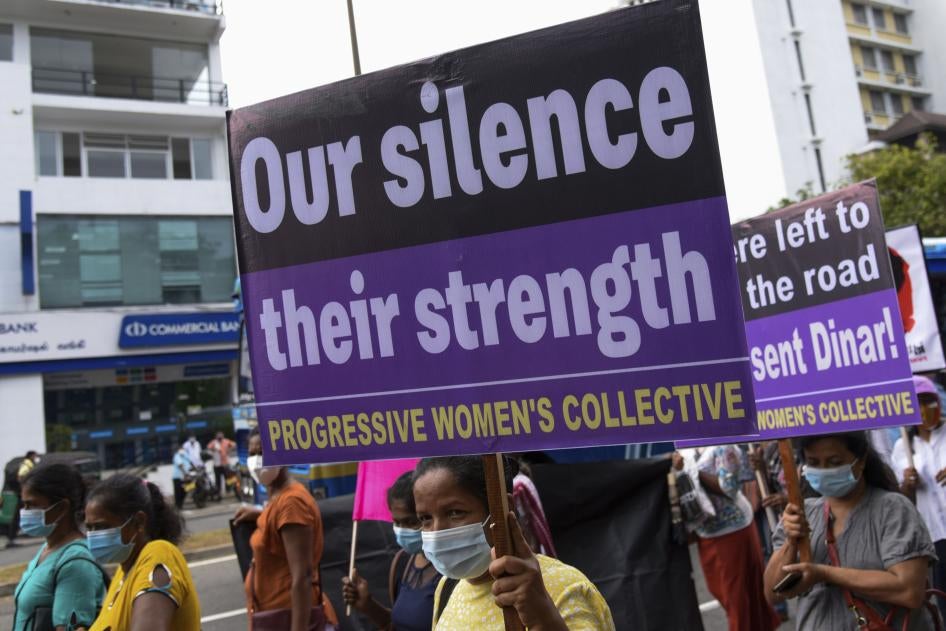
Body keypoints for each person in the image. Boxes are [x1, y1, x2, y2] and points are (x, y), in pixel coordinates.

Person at [412, 456, 614, 630]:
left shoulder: (564, 589)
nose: (437, 532)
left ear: (501, 508)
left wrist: (542, 618)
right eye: (425, 518)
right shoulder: (447, 586)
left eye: (455, 513)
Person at [765, 431, 936, 630]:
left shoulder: (893, 509)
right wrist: (791, 542)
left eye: (834, 462)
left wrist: (824, 574)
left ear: (861, 461)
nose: (824, 470)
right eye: (814, 462)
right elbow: (772, 594)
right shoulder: (801, 513)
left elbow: (909, 591)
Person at [234, 457, 338, 630]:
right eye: (252, 453)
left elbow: (302, 576)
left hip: (287, 615)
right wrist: (261, 515)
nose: (256, 460)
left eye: (262, 451)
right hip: (275, 614)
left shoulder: (291, 503)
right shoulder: (278, 498)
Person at [86, 474, 200, 631]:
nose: (92, 536)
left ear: (138, 522)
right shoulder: (124, 570)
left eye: (101, 527)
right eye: (89, 528)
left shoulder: (158, 554)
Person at [690, 445, 781, 631]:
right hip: (706, 533)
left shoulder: (723, 446)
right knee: (723, 592)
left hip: (733, 532)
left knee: (737, 598)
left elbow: (729, 488)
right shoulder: (686, 447)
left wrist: (693, 471)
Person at [13, 463, 107, 631]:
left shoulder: (76, 562)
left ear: (62, 507)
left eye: (32, 505)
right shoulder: (47, 548)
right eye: (24, 505)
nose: (24, 512)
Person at [342, 471, 441, 630]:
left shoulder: (452, 569)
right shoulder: (402, 562)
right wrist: (367, 605)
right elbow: (394, 625)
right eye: (397, 522)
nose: (403, 530)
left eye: (411, 522)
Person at [893, 375, 946, 622]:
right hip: (935, 534)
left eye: (929, 401)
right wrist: (907, 483)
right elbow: (903, 499)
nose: (925, 410)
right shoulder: (902, 449)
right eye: (918, 403)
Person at [171, 444, 192, 510]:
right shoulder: (177, 456)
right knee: (178, 493)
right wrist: (186, 474)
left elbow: (190, 463)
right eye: (180, 449)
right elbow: (181, 465)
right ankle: (178, 506)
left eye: (182, 449)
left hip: (186, 477)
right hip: (178, 477)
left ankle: (180, 504)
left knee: (187, 489)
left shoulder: (186, 455)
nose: (182, 450)